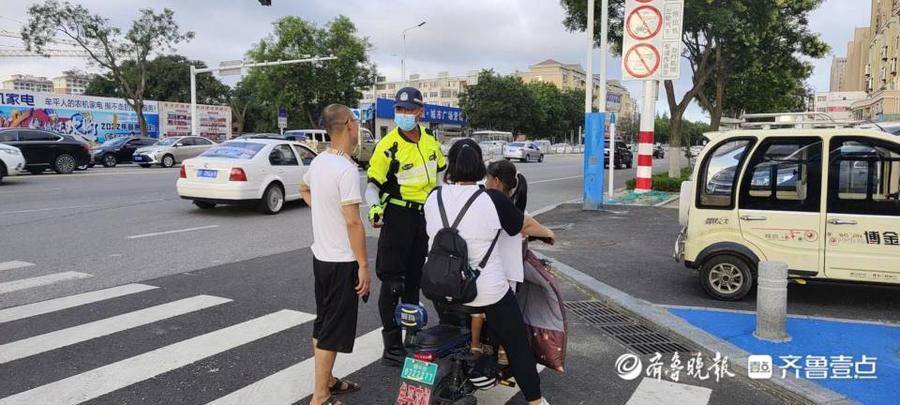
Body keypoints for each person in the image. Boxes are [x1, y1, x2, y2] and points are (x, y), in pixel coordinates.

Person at [424, 139, 547, 405]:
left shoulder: (433, 196)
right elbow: (521, 226)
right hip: (485, 292)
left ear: (450, 166)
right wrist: (548, 233)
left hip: (440, 286)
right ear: (480, 166)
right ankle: (536, 400)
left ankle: (472, 363)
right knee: (516, 342)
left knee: (452, 324)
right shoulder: (491, 199)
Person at [365, 87, 446, 366]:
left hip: (423, 219)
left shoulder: (431, 143)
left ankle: (412, 336)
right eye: (399, 110)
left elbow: (440, 181)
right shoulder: (387, 145)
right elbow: (372, 186)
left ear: (420, 111)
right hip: (397, 218)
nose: (404, 115)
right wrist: (374, 207)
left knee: (414, 282)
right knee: (393, 284)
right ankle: (392, 346)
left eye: (409, 110)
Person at [300, 104, 371, 405]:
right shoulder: (345, 169)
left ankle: (326, 380)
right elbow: (354, 222)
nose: (358, 127)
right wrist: (364, 265)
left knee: (323, 322)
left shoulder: (320, 162)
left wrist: (324, 211)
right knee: (331, 329)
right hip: (342, 261)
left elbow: (304, 189)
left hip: (322, 259)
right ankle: (320, 397)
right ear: (348, 125)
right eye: (356, 121)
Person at [470, 159, 555, 360]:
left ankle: (475, 346)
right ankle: (502, 350)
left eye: (488, 178)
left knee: (479, 310)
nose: (486, 181)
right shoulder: (516, 210)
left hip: (486, 267)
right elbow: (528, 227)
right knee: (504, 315)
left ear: (497, 181)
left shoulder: (487, 205)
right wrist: (549, 233)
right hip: (507, 270)